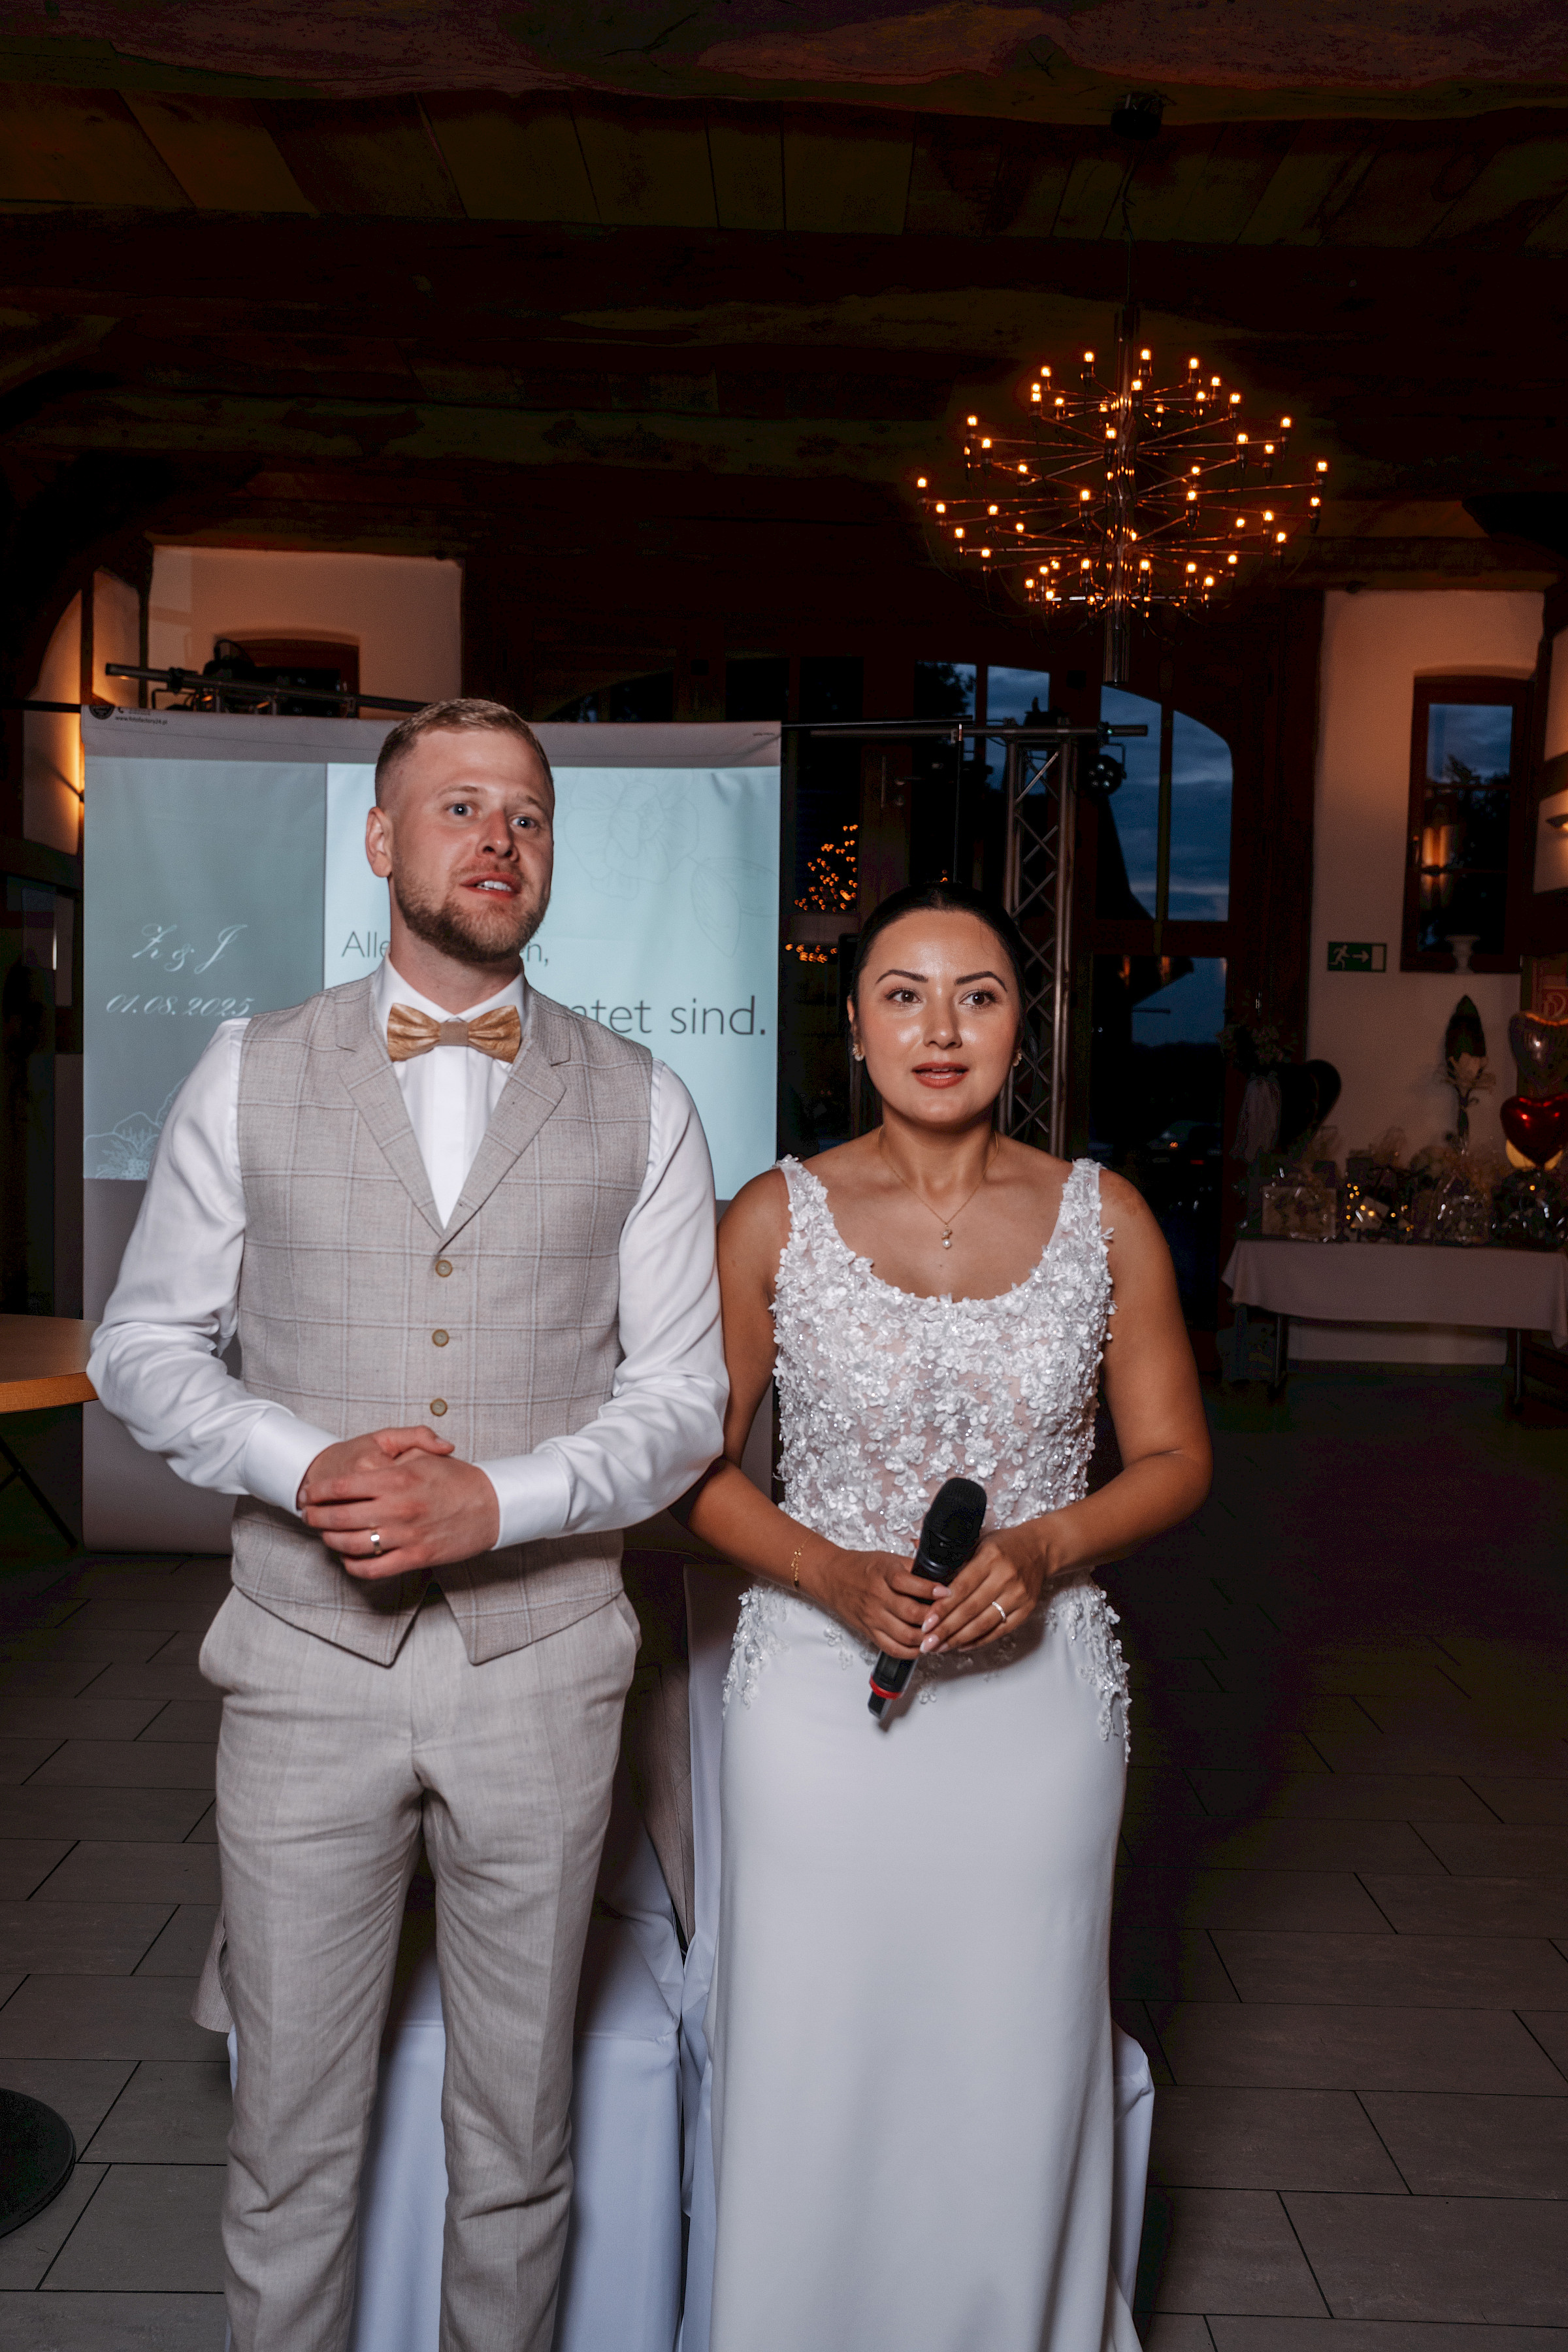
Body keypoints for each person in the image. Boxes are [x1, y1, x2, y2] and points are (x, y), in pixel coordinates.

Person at [88, 699, 727, 2352]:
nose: (498, 838)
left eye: (527, 814)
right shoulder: (250, 1066)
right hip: (303, 1664)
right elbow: (141, 1345)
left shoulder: (646, 1099)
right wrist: (298, 1461)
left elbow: (681, 1402)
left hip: (546, 1668)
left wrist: (502, 1499)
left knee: (517, 2147)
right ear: (382, 842)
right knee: (288, 2144)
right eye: (459, 807)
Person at [683, 881, 1211, 2351]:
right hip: (815, 1701)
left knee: (1013, 2038)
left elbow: (1176, 1458)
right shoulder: (772, 1217)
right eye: (902, 995)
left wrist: (1046, 1548)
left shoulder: (1105, 1216)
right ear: (853, 1028)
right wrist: (828, 1573)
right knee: (818, 2041)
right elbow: (691, 1476)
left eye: (977, 995)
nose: (941, 1028)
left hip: (1039, 1718)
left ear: (1021, 1026)